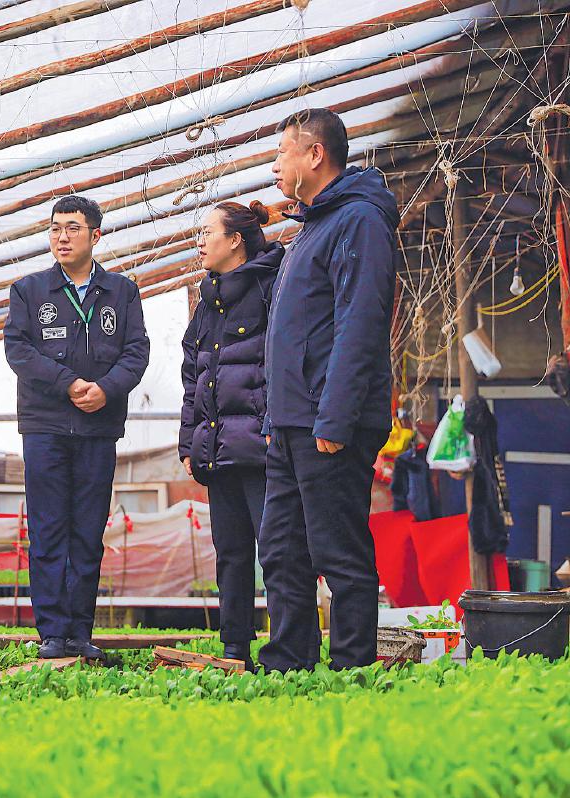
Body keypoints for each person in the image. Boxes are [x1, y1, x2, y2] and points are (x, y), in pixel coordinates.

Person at [259, 108, 398, 671]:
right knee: (281, 548)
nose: (274, 166)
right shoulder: (313, 225)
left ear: (315, 155)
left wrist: (335, 419)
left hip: (328, 420)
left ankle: (352, 666)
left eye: (281, 153)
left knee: (338, 550)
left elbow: (360, 323)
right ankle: (289, 660)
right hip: (292, 420)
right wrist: (275, 419)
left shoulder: (359, 220)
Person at [3, 195, 150, 661]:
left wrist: (107, 389)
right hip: (44, 427)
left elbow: (137, 351)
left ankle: (80, 632)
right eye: (54, 228)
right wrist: (67, 383)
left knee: (88, 530)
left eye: (72, 228)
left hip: (97, 429)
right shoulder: (29, 290)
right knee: (48, 529)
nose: (61, 237)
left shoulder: (122, 293)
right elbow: (18, 351)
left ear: (95, 235)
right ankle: (52, 632)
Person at [179, 200, 284, 671]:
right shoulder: (207, 301)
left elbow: (283, 365)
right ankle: (234, 648)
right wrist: (189, 441)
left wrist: (274, 429)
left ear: (236, 239)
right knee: (231, 554)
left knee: (278, 552)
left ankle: (288, 648)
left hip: (262, 448)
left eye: (207, 232)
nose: (200, 242)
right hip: (218, 450)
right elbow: (193, 376)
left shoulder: (271, 287)